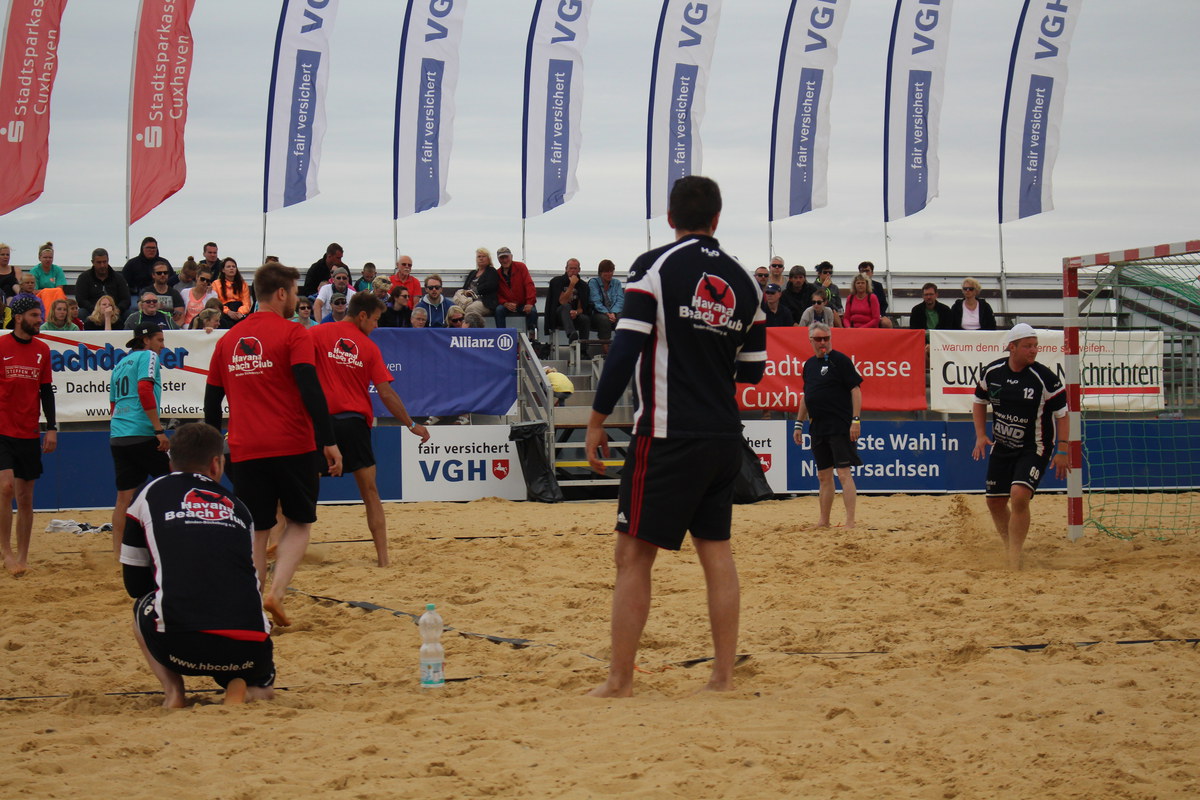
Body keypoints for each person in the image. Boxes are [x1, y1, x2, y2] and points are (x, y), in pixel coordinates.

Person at [585, 175, 767, 697]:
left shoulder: (654, 267)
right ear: (716, 219)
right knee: (717, 553)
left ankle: (620, 681)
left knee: (633, 557)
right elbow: (753, 371)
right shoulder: (747, 282)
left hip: (667, 432)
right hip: (723, 434)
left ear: (670, 219)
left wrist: (596, 421)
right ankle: (722, 677)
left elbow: (624, 349)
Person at [204, 261, 342, 626]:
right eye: (294, 292)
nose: (296, 298)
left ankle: (252, 607)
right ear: (281, 293)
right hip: (293, 444)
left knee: (258, 529)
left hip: (245, 447)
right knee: (299, 522)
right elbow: (310, 388)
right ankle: (277, 593)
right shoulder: (294, 333)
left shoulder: (228, 340)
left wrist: (213, 451)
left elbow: (211, 401)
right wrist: (328, 440)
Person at [120, 422, 275, 707]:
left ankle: (174, 692)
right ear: (216, 464)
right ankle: (246, 684)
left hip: (179, 646)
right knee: (260, 683)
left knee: (143, 603)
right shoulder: (239, 507)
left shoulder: (148, 493)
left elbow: (134, 584)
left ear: (171, 462)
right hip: (249, 647)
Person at [310, 292, 429, 567]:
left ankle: (285, 551)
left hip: (320, 422)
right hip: (353, 424)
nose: (376, 326)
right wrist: (411, 424)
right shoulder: (368, 347)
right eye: (375, 320)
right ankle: (383, 559)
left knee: (303, 491)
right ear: (362, 315)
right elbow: (386, 394)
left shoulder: (316, 334)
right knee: (370, 493)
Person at [972, 323, 1068, 570]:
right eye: (1028, 346)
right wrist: (980, 435)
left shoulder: (1044, 378)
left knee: (1019, 495)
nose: (1034, 350)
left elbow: (1063, 414)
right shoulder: (993, 372)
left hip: (1034, 447)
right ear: (1012, 348)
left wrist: (1063, 449)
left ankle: (1014, 557)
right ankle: (1011, 547)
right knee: (994, 502)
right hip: (1002, 446)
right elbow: (979, 401)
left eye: (1035, 345)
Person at [1, 297, 57, 576]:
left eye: (40, 315)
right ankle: (7, 552)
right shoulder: (1, 346)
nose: (39, 320)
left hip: (29, 430)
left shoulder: (42, 349)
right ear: (19, 317)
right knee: (6, 488)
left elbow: (46, 391)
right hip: (2, 429)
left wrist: (52, 428)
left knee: (25, 498)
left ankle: (22, 555)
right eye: (35, 315)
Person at [108, 323, 171, 557]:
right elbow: (144, 389)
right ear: (146, 340)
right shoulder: (148, 356)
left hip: (119, 434)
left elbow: (113, 404)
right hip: (142, 432)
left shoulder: (120, 363)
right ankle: (173, 542)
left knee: (123, 498)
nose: (162, 345)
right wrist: (158, 430)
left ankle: (118, 554)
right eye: (159, 340)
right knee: (176, 482)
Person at [793, 322, 862, 529]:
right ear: (811, 340)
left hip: (840, 425)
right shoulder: (809, 365)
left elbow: (856, 390)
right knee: (823, 475)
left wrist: (855, 420)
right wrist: (798, 424)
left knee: (843, 473)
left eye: (826, 338)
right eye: (818, 339)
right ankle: (824, 521)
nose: (823, 342)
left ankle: (850, 521)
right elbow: (807, 396)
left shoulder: (840, 361)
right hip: (817, 426)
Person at [75, 247, 131, 317]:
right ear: (92, 262)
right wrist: (96, 310)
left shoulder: (118, 278)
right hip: (92, 313)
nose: (102, 265)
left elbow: (126, 299)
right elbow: (81, 300)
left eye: (104, 262)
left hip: (115, 313)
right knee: (81, 313)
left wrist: (117, 310)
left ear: (108, 260)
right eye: (99, 262)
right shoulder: (84, 278)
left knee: (129, 314)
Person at [545, 258, 591, 342]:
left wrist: (576, 312)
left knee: (585, 319)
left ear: (579, 270)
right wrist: (572, 285)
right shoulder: (557, 281)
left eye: (575, 268)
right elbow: (562, 301)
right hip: (559, 315)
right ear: (566, 269)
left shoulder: (583, 286)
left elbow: (581, 308)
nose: (573, 271)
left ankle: (583, 348)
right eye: (570, 268)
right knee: (566, 306)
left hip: (574, 315)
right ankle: (571, 334)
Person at [494, 246, 538, 333]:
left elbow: (529, 285)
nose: (505, 260)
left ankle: (532, 337)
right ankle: (501, 336)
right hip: (507, 304)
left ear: (511, 257)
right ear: (498, 260)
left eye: (506, 257)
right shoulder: (497, 273)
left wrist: (529, 303)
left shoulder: (521, 267)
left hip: (523, 303)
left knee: (532, 311)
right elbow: (496, 293)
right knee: (499, 310)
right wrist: (505, 303)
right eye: (502, 258)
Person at [588, 259, 624, 344]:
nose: (609, 274)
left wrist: (613, 313)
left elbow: (620, 300)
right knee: (604, 320)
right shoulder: (593, 282)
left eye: (611, 271)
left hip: (614, 313)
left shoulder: (617, 283)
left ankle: (622, 345)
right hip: (597, 313)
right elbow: (595, 301)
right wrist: (607, 313)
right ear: (600, 272)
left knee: (622, 318)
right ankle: (605, 348)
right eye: (606, 271)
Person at [215, 257, 252, 326]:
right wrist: (228, 312)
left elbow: (247, 303)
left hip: (240, 312)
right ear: (223, 270)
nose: (231, 268)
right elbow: (216, 303)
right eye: (228, 267)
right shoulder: (216, 284)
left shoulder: (243, 284)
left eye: (233, 266)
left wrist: (239, 312)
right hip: (223, 312)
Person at [148, 261, 186, 326]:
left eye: (165, 273)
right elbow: (143, 313)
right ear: (153, 275)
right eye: (159, 273)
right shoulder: (147, 292)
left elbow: (181, 318)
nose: (163, 275)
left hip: (171, 328)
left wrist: (172, 329)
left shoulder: (175, 293)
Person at [857, 261, 893, 328]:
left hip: (877, 314)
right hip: (860, 315)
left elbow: (884, 304)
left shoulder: (878, 286)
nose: (865, 273)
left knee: (886, 323)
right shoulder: (855, 286)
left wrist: (879, 315)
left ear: (872, 272)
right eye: (862, 271)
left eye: (867, 271)